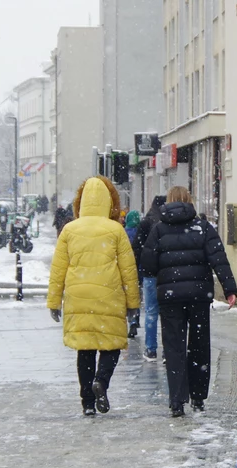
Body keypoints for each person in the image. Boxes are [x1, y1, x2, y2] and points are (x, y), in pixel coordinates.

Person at [47, 175, 141, 416]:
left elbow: (58, 269)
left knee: (85, 349)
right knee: (111, 346)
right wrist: (133, 303)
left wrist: (54, 302)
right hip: (108, 295)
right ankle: (102, 381)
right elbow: (128, 269)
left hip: (79, 296)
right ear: (110, 202)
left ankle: (87, 402)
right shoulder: (116, 230)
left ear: (81, 202)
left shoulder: (69, 230)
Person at [141, 187, 237, 416]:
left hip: (170, 298)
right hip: (198, 296)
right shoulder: (203, 228)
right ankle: (198, 397)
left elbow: (148, 265)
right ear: (189, 201)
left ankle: (176, 401)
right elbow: (219, 259)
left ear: (169, 202)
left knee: (174, 347)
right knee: (199, 345)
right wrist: (229, 288)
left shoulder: (158, 230)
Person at [132, 196, 166, 361]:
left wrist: (140, 270)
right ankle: (168, 349)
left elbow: (137, 248)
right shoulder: (167, 223)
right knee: (168, 313)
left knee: (151, 312)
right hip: (167, 274)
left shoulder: (146, 222)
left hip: (150, 274)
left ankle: (151, 349)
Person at [124, 210, 142, 338]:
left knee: (127, 294)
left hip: (127, 269)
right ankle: (136, 318)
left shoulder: (123, 233)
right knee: (137, 295)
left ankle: (131, 319)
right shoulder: (142, 232)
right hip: (140, 268)